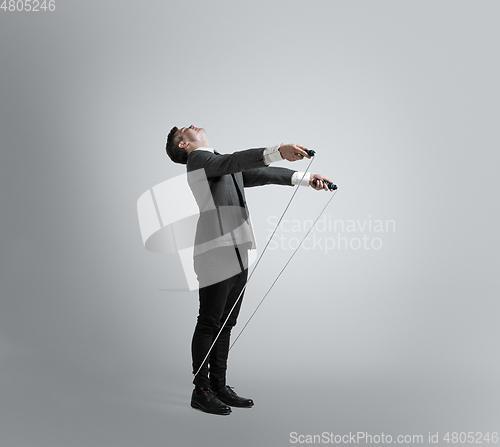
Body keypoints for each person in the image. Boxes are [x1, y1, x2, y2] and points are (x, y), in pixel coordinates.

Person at [165, 125, 333, 415]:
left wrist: (306, 179)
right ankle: (201, 390)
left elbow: (260, 174)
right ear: (183, 145)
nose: (192, 126)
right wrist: (278, 151)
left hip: (238, 249)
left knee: (226, 324)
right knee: (210, 322)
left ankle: (219, 386)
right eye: (184, 130)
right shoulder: (199, 161)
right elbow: (234, 162)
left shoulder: (220, 163)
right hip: (215, 252)